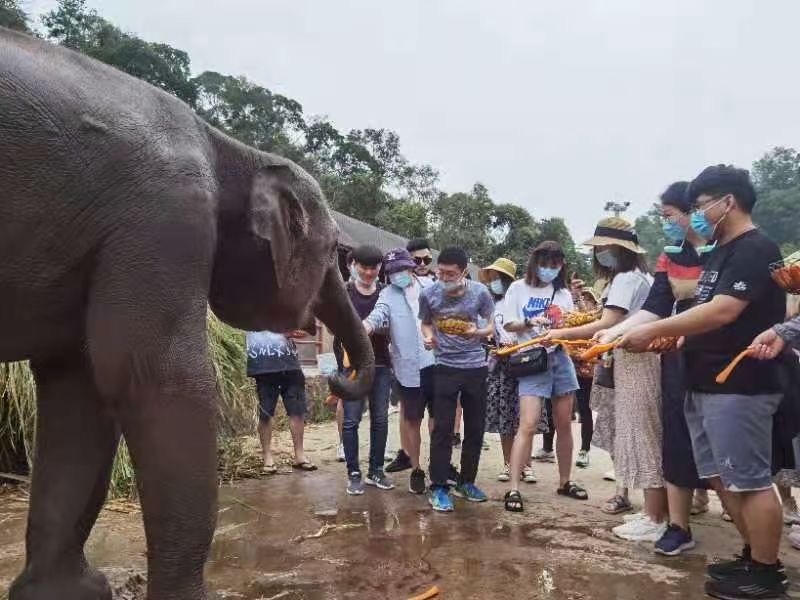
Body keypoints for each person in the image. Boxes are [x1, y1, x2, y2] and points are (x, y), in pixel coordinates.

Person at [620, 165, 788, 599]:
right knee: (719, 476)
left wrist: (653, 330)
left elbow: (723, 312)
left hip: (740, 383)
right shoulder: (720, 252)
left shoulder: (755, 248)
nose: (696, 215)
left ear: (726, 202)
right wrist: (675, 335)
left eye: (698, 206)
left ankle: (767, 574)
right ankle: (753, 555)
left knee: (749, 481)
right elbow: (702, 313)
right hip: (704, 380)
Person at [595, 181, 709, 556]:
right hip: (677, 355)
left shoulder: (724, 253)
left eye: (669, 216)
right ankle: (675, 525)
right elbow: (656, 306)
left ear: (693, 211)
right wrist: (615, 331)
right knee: (675, 439)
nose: (666, 224)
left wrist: (627, 331)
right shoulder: (671, 255)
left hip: (715, 354)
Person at [547, 218, 666, 542]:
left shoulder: (627, 278)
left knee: (642, 437)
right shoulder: (633, 276)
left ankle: (656, 517)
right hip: (632, 359)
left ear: (619, 250)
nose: (599, 253)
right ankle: (652, 511)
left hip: (637, 361)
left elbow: (610, 321)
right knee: (638, 435)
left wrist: (561, 333)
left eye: (603, 248)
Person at [502, 241, 588, 513]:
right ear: (534, 262)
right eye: (544, 264)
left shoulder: (561, 292)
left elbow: (570, 323)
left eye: (555, 265)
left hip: (560, 359)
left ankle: (565, 481)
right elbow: (508, 323)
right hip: (531, 360)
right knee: (527, 424)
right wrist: (530, 322)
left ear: (561, 266)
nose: (549, 270)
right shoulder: (518, 288)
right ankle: (513, 487)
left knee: (564, 424)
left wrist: (569, 326)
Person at [419, 246, 494, 512]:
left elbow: (491, 326)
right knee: (442, 428)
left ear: (464, 272)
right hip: (445, 366)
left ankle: (467, 482)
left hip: (475, 367)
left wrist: (479, 331)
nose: (445, 277)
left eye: (451, 273)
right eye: (441, 272)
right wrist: (428, 336)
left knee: (475, 428)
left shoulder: (480, 293)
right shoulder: (429, 294)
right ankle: (438, 486)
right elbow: (426, 322)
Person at [364, 248, 436, 495]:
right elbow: (377, 316)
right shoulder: (387, 295)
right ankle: (416, 469)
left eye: (402, 269)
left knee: (439, 420)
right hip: (408, 369)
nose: (398, 275)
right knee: (413, 420)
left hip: (435, 364)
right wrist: (364, 327)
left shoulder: (431, 288)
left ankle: (439, 468)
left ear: (411, 267)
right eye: (393, 271)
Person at [336, 244, 394, 495]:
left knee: (380, 419)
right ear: (353, 265)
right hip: (352, 366)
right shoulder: (343, 292)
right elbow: (333, 325)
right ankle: (354, 473)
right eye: (364, 267)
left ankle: (376, 470)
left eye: (374, 267)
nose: (369, 272)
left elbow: (392, 325)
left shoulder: (386, 293)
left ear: (380, 268)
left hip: (381, 363)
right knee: (350, 421)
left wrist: (372, 328)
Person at [481, 258, 540, 483]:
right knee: (506, 417)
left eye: (498, 278)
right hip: (502, 365)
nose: (494, 282)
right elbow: (490, 332)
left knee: (526, 417)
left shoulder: (522, 299)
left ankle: (526, 465)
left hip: (526, 360)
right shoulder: (492, 305)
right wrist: (493, 347)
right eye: (492, 279)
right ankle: (508, 463)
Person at [246, 329, 316, 474]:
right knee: (266, 413)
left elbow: (305, 329)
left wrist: (297, 330)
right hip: (264, 364)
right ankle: (267, 456)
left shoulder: (286, 307)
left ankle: (299, 455)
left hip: (290, 363)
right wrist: (281, 331)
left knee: (297, 411)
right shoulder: (249, 307)